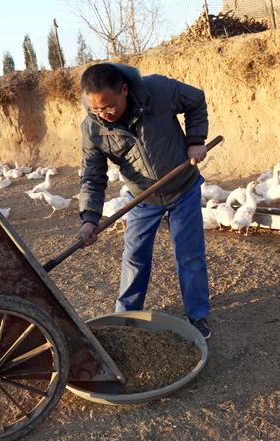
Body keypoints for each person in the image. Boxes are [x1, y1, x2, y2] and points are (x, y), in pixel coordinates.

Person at [77, 62, 211, 340]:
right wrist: (90, 217)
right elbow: (93, 175)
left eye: (108, 107)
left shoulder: (157, 90)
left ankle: (198, 316)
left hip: (182, 187)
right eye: (95, 109)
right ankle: (125, 317)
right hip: (142, 197)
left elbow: (196, 100)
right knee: (134, 257)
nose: (103, 114)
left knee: (190, 255)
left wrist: (196, 140)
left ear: (124, 90)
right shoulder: (93, 129)